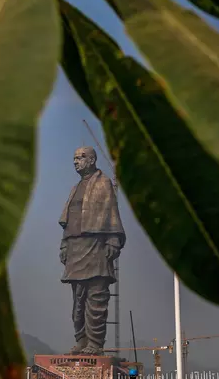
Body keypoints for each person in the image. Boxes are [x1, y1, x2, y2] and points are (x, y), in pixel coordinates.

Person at [59, 146, 126, 356]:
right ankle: (81, 340)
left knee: (96, 298)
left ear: (93, 160)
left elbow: (111, 213)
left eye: (80, 157)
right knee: (77, 301)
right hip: (75, 249)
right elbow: (68, 221)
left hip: (96, 247)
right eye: (74, 157)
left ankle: (95, 343)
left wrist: (113, 239)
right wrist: (64, 245)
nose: (76, 161)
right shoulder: (75, 188)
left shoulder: (103, 183)